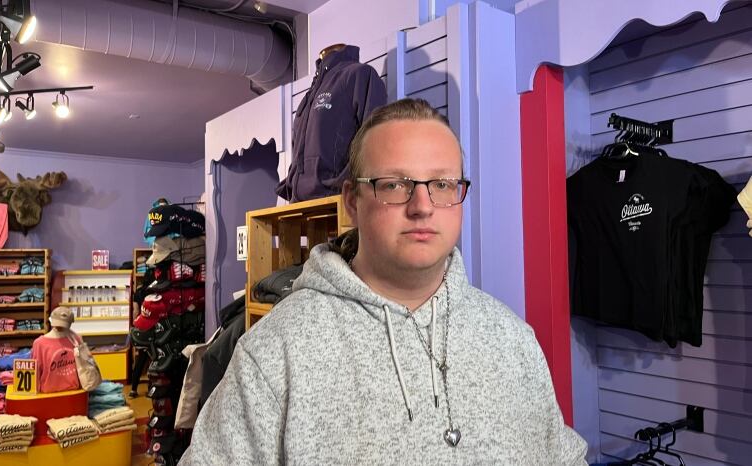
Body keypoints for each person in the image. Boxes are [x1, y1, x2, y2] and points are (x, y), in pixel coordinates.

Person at [179, 98, 588, 464]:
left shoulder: (512, 339)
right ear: (352, 202)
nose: (423, 206)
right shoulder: (274, 352)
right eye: (395, 185)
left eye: (442, 184)